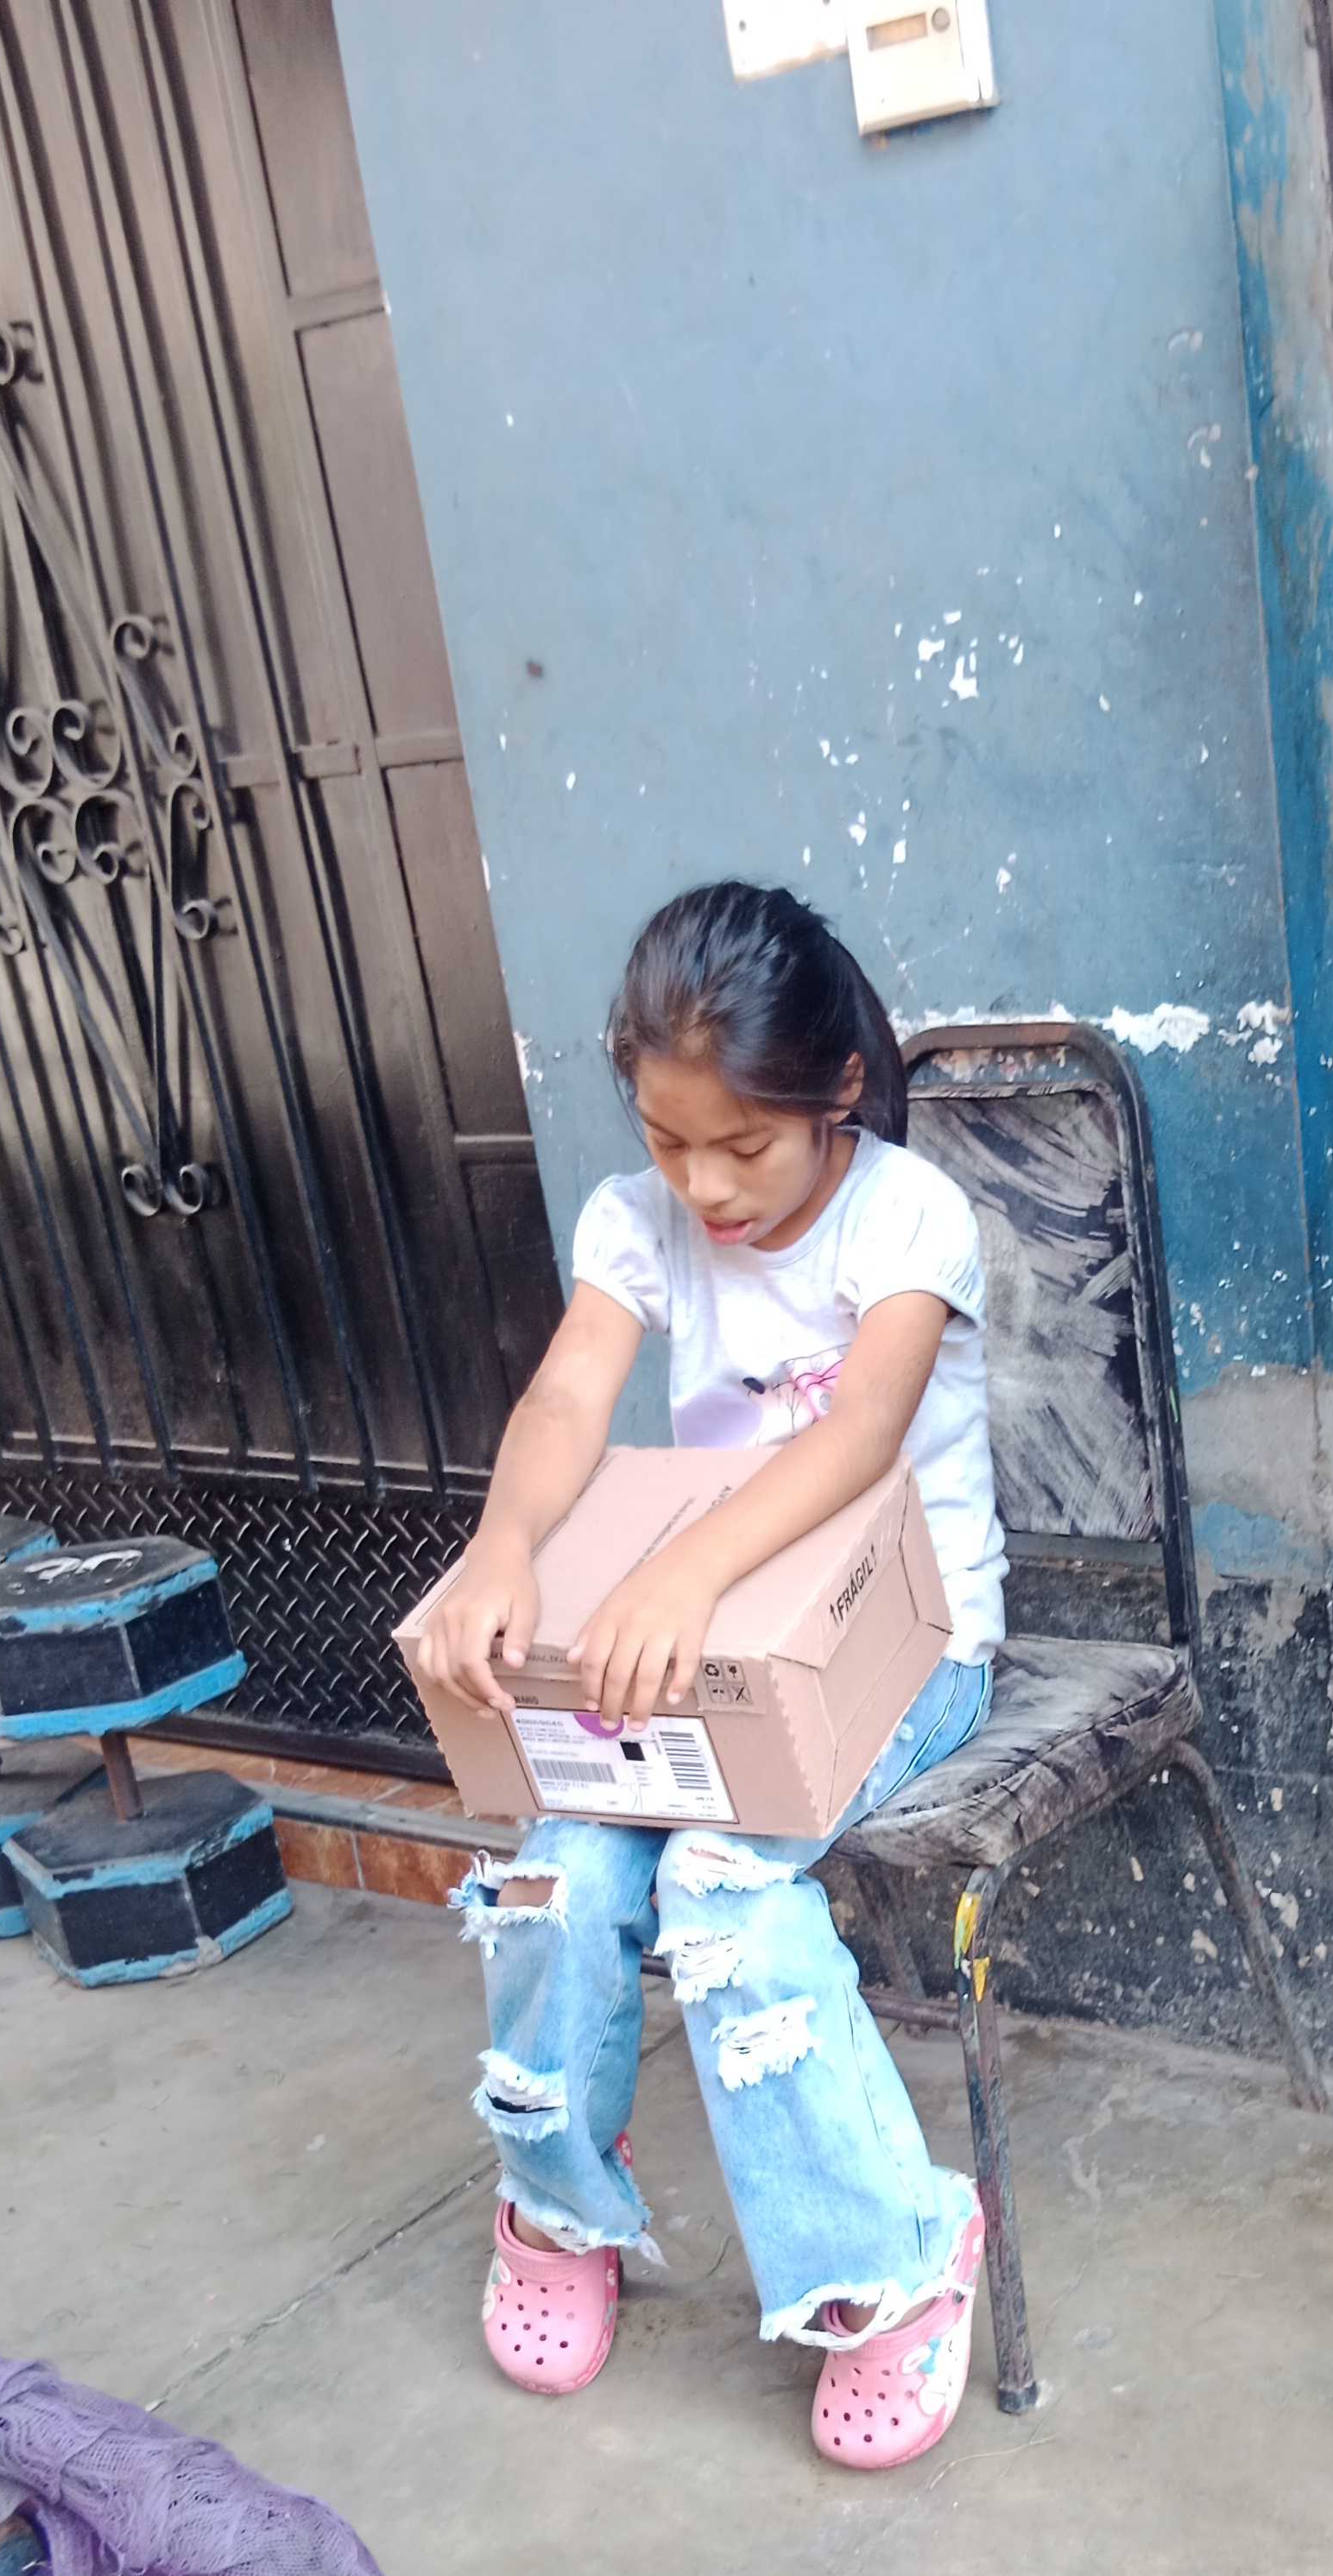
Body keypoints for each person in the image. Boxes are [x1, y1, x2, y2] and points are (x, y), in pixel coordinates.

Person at [409, 883, 1005, 2468]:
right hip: (712, 1670)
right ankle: (556, 2205)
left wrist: (683, 1570)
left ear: (838, 1093)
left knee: (724, 1884)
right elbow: (565, 1402)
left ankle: (894, 2257)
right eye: (672, 1142)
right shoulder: (639, 1223)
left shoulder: (908, 1220)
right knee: (562, 1867)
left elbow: (860, 1434)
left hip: (910, 1644)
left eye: (744, 1146)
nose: (706, 1186)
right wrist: (503, 1551)